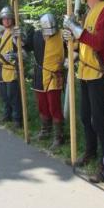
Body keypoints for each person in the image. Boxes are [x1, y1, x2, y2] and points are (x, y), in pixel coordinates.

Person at [63, 0, 104, 168]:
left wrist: (76, 29)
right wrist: (71, 39)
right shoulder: (88, 13)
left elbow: (99, 43)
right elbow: (84, 43)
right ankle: (90, 151)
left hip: (98, 73)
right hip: (85, 72)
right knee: (86, 116)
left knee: (98, 119)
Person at [25, 13, 65, 149]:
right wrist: (16, 37)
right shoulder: (36, 35)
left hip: (54, 75)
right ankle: (45, 131)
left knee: (54, 106)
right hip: (39, 74)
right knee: (42, 104)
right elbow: (25, 48)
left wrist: (67, 62)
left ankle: (58, 137)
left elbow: (74, 51)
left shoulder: (62, 35)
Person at [0, 6, 22, 128]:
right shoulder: (1, 33)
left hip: (13, 69)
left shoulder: (17, 32)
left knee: (14, 96)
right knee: (4, 95)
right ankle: (7, 115)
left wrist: (15, 54)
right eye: (4, 19)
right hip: (2, 68)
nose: (6, 21)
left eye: (8, 18)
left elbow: (25, 52)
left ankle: (17, 119)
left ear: (12, 19)